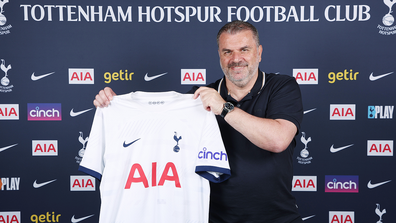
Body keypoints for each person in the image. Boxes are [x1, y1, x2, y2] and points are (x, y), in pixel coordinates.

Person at [94, 20, 304, 223]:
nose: (236, 58)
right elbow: (156, 133)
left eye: (244, 49)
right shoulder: (198, 97)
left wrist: (223, 107)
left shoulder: (281, 86)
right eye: (227, 52)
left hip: (278, 217)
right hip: (214, 218)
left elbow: (278, 140)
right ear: (219, 56)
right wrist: (115, 106)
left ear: (259, 52)